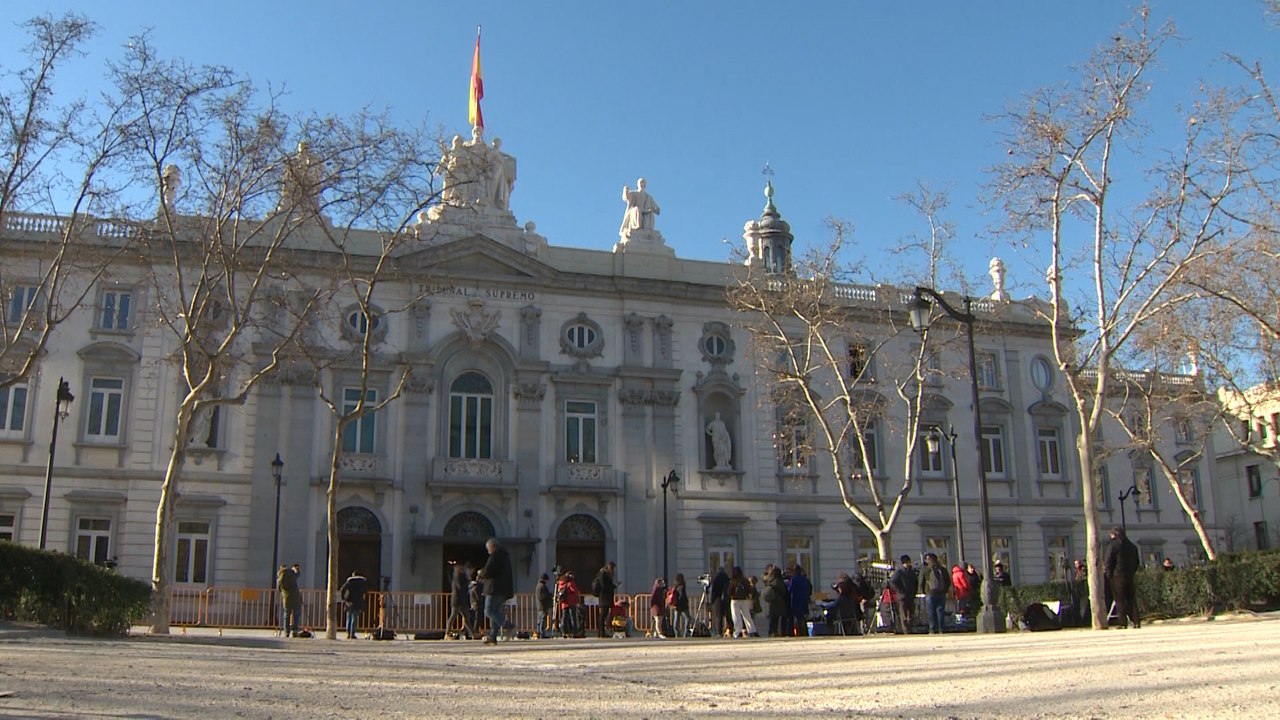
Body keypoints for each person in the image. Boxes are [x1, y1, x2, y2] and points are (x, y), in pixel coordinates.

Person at [476, 537, 514, 645]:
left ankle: (508, 625)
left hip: (494, 589)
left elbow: (489, 571)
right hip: (503, 589)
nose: (488, 551)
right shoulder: (504, 556)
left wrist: (480, 573)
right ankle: (493, 637)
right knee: (495, 612)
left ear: (493, 547)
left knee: (488, 611)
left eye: (488, 549)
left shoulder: (495, 557)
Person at [1105, 526, 1141, 629]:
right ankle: (1136, 621)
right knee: (1131, 599)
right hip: (1129, 575)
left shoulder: (1113, 546)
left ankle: (1122, 622)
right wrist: (1131, 572)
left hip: (1117, 576)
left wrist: (1109, 575)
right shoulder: (1132, 546)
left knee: (1119, 599)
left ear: (1114, 535)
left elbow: (1108, 561)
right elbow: (1136, 562)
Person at [920, 553, 951, 634]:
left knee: (931, 612)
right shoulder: (943, 569)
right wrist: (945, 590)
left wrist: (923, 591)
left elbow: (921, 582)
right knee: (940, 611)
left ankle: (933, 629)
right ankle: (942, 629)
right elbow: (948, 581)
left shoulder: (925, 570)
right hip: (941, 593)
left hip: (930, 593)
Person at [445, 561, 476, 640]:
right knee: (453, 616)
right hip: (457, 599)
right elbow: (460, 587)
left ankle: (473, 633)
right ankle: (447, 633)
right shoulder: (458, 575)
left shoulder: (460, 575)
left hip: (461, 599)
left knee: (466, 617)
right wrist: (468, 581)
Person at [890, 555, 919, 633]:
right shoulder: (899, 572)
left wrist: (914, 592)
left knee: (911, 613)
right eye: (907, 562)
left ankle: (910, 628)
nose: (909, 564)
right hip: (902, 596)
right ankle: (905, 630)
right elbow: (892, 582)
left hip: (911, 595)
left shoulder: (912, 572)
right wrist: (899, 590)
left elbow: (916, 583)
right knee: (904, 614)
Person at [728, 566, 756, 638]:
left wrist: (731, 596)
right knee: (747, 616)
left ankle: (738, 631)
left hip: (734, 600)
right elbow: (749, 590)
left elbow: (729, 591)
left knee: (736, 616)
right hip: (744, 599)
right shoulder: (745, 581)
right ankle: (752, 630)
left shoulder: (732, 581)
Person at [762, 565, 790, 637]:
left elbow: (763, 577)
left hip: (771, 602)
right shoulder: (778, 581)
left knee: (772, 619)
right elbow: (783, 590)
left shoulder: (769, 580)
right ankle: (774, 632)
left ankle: (771, 632)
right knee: (776, 619)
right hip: (778, 602)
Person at [592, 561, 617, 639]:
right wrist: (612, 586)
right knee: (602, 615)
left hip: (605, 597)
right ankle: (601, 633)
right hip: (604, 597)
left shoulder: (603, 574)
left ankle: (601, 633)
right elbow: (604, 586)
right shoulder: (603, 574)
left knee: (603, 615)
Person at [339, 569, 367, 639]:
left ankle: (348, 633)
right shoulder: (362, 582)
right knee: (354, 618)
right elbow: (365, 591)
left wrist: (344, 598)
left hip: (349, 600)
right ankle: (353, 633)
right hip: (357, 601)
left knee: (349, 618)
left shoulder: (349, 582)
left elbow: (342, 589)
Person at [277, 563, 302, 637]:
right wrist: (296, 569)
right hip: (295, 597)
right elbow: (298, 574)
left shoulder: (280, 578)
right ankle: (295, 630)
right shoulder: (291, 574)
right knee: (296, 614)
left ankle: (286, 631)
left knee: (286, 614)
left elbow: (279, 589)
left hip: (286, 598)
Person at [787, 564, 813, 637]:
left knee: (798, 617)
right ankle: (805, 632)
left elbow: (790, 590)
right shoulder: (805, 579)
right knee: (803, 617)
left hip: (796, 600)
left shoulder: (794, 579)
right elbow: (809, 589)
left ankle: (799, 632)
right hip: (804, 600)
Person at [556, 570, 582, 637]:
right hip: (571, 602)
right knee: (573, 617)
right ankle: (575, 632)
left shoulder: (561, 583)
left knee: (564, 617)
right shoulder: (571, 583)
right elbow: (575, 591)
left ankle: (564, 631)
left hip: (564, 603)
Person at [709, 565, 730, 637]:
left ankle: (719, 632)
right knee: (728, 615)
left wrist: (711, 601)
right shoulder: (726, 578)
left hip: (717, 599)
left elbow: (713, 591)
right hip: (726, 598)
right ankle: (730, 629)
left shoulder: (716, 579)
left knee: (718, 616)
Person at [670, 573, 691, 638]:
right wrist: (686, 602)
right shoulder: (682, 586)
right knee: (688, 618)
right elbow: (682, 596)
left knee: (676, 620)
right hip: (683, 605)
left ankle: (677, 633)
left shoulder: (675, 586)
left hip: (677, 605)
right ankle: (685, 632)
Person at [535, 573, 554, 639]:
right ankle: (542, 633)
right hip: (543, 605)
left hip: (540, 605)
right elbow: (543, 596)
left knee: (540, 620)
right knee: (543, 619)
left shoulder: (539, 586)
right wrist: (549, 596)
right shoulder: (542, 586)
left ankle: (538, 632)